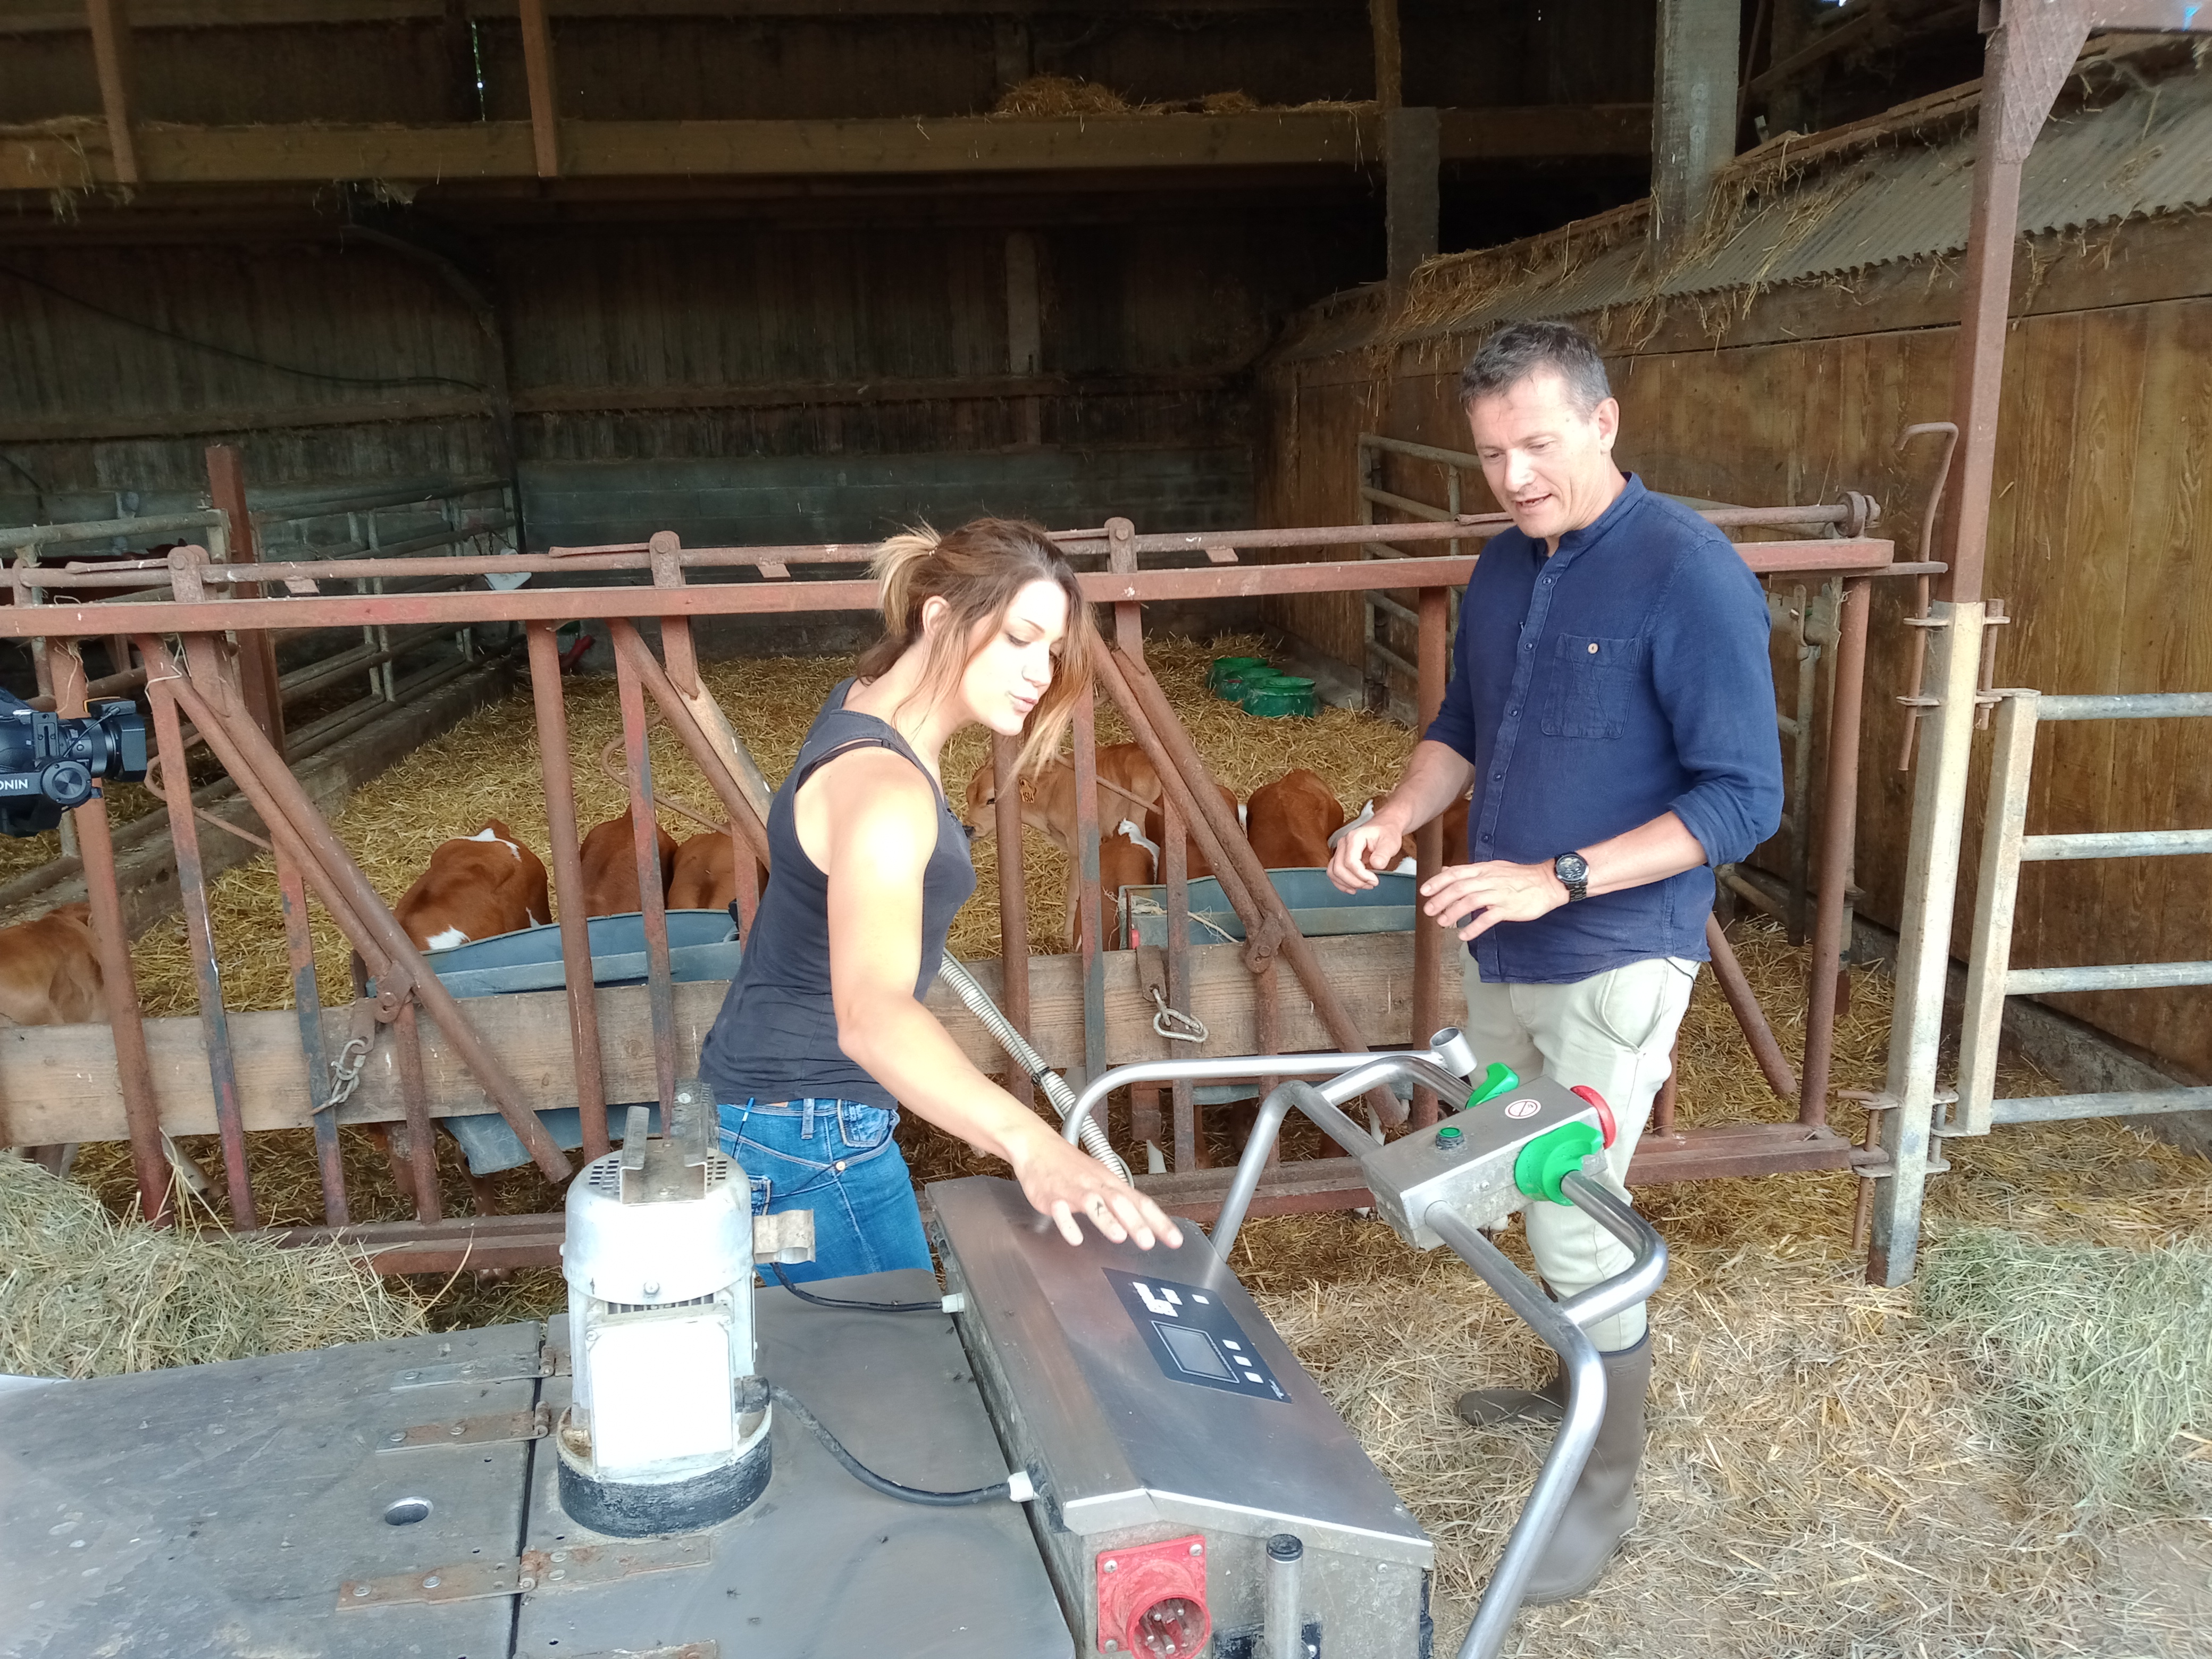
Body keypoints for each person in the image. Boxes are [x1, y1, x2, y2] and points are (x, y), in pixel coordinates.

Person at [1327, 321, 1781, 1601]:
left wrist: (1560, 874)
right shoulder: (1505, 565)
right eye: (1489, 454)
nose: (1515, 474)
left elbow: (1744, 798)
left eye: (1536, 442)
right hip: (1505, 945)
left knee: (1581, 1221)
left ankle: (1599, 1490)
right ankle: (1568, 1387)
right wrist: (1397, 817)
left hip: (1611, 952)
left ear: (1602, 423)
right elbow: (1459, 726)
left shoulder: (1686, 571)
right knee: (1531, 1179)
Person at [697, 517, 1182, 1279]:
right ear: (939, 618)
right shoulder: (888, 789)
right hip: (810, 1132)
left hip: (774, 1111)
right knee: (898, 1374)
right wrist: (1035, 1145)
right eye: (1019, 638)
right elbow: (872, 1016)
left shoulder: (860, 707)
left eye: (1052, 653)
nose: (1040, 672)